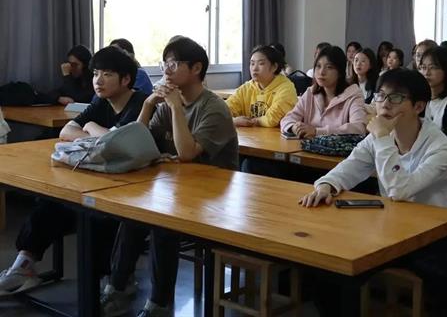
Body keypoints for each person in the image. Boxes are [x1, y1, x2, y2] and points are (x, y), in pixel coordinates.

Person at [299, 68, 447, 316]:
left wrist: (382, 137)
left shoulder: (440, 147)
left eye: (396, 97)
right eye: (381, 96)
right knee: (331, 267)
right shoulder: (378, 139)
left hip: (436, 237)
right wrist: (326, 185)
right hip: (391, 231)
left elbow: (399, 189)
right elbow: (350, 167)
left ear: (418, 106)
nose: (385, 104)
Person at [102, 37, 238, 317]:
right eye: (164, 63)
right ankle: (118, 287)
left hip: (214, 197)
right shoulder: (165, 104)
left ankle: (159, 304)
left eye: (174, 64)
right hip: (177, 187)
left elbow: (187, 153)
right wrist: (148, 104)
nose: (166, 70)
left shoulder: (213, 107)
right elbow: (135, 142)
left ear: (196, 68)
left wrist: (175, 107)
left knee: (162, 221)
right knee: (133, 213)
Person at [0, 46, 147, 296]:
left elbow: (121, 143)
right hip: (95, 178)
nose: (98, 81)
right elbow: (66, 131)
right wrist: (96, 132)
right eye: (96, 74)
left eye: (107, 74)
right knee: (50, 205)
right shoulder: (101, 101)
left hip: (132, 188)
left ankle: (116, 282)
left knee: (101, 218)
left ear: (126, 79)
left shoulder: (140, 103)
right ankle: (24, 265)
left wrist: (89, 126)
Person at [280, 46, 367, 138]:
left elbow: (358, 128)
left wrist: (317, 131)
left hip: (337, 147)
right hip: (306, 146)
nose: (321, 72)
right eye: (318, 66)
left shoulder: (353, 95)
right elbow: (287, 119)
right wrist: (294, 127)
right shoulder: (311, 93)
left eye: (329, 67)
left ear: (340, 72)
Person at [226, 45, 298, 127]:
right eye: (252, 64)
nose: (254, 68)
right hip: (249, 134)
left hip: (276, 134)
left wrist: (252, 122)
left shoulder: (286, 88)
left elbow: (273, 119)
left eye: (261, 63)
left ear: (274, 67)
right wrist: (234, 121)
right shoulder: (246, 88)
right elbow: (224, 112)